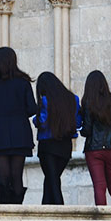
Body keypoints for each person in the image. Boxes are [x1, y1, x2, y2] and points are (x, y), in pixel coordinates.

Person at [0, 47, 38, 204]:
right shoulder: (23, 82)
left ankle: (4, 212)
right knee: (17, 176)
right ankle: (17, 211)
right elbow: (32, 108)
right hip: (20, 133)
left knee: (3, 176)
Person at [81, 70, 111, 206]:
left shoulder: (88, 103)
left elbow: (86, 131)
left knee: (100, 187)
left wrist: (80, 128)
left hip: (94, 150)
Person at [33, 71, 82, 205]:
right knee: (51, 179)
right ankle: (45, 211)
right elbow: (78, 123)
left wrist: (34, 120)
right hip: (65, 146)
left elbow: (42, 121)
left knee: (52, 180)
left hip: (48, 145)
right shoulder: (73, 99)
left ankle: (60, 211)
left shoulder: (45, 101)